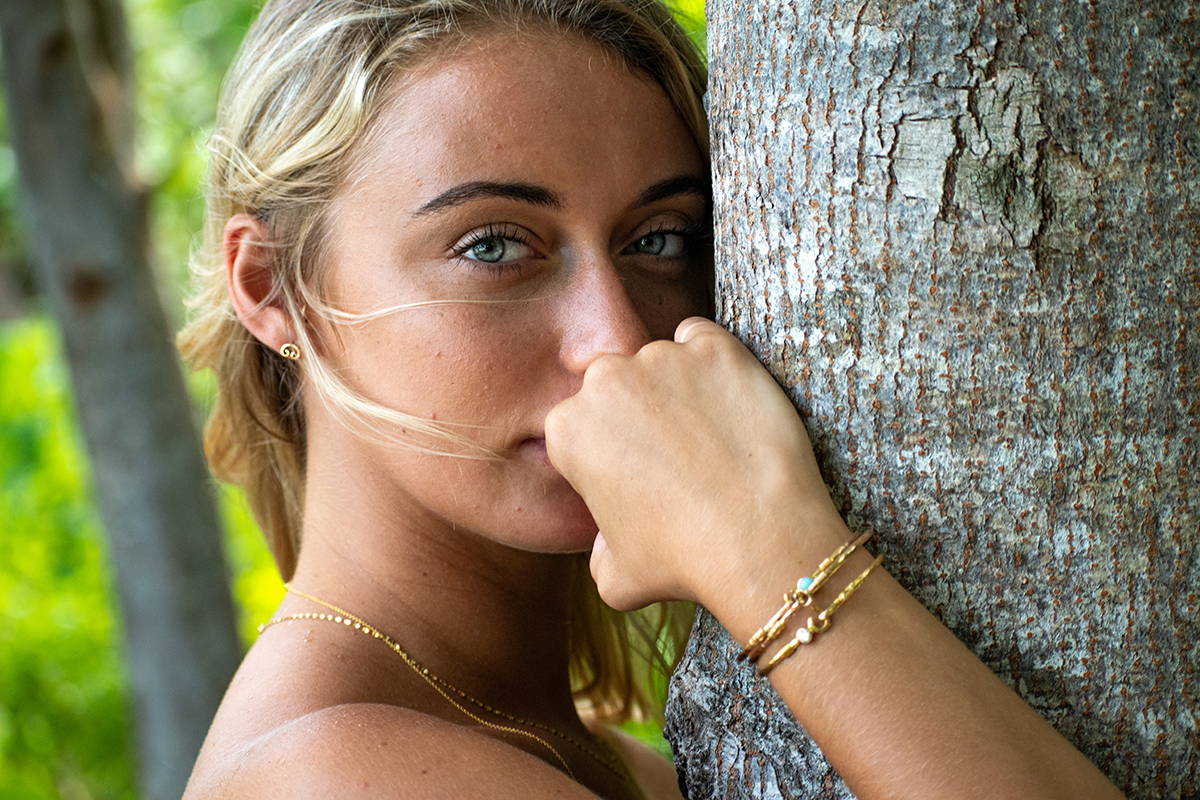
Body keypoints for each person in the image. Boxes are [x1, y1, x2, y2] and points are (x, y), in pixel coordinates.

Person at [178, 1, 1125, 797]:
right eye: (494, 246)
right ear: (272, 288)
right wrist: (771, 551)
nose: (619, 340)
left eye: (661, 239)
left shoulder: (604, 757)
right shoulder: (334, 775)